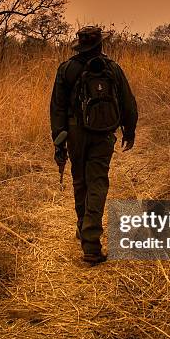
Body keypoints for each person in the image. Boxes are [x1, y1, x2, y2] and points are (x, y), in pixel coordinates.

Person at [50, 26, 138, 265]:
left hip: (75, 133)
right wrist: (129, 131)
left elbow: (57, 108)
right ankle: (91, 244)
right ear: (100, 45)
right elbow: (128, 102)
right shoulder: (113, 69)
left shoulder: (67, 69)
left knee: (80, 181)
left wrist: (59, 142)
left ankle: (84, 229)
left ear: (80, 45)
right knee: (98, 182)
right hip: (104, 133)